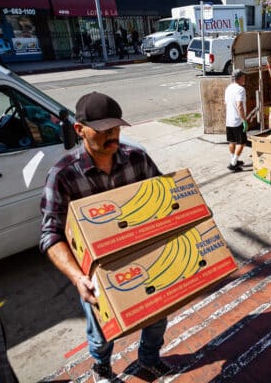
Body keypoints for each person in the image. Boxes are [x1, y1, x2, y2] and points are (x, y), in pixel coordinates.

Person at [39, 92, 172, 382]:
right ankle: (101, 364)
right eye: (103, 130)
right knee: (100, 333)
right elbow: (50, 234)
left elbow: (165, 197)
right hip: (95, 273)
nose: (113, 135)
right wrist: (78, 278)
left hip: (145, 259)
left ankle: (149, 358)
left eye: (116, 128)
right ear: (79, 129)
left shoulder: (137, 158)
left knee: (157, 318)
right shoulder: (62, 175)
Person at [225, 69, 248, 172]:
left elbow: (225, 103)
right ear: (239, 78)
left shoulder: (228, 88)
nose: (244, 79)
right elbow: (240, 106)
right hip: (237, 121)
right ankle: (233, 164)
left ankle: (234, 159)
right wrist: (244, 121)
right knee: (241, 143)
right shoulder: (240, 89)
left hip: (229, 120)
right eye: (243, 77)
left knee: (232, 141)